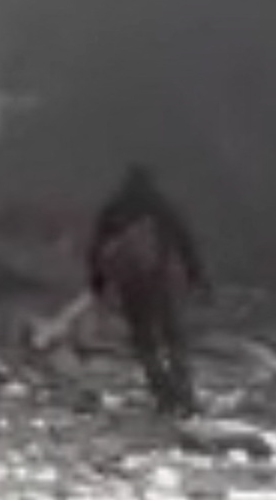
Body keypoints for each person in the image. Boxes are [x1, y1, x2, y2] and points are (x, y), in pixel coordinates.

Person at [90, 163, 212, 418]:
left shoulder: (115, 208)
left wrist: (99, 283)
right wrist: (197, 277)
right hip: (162, 280)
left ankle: (162, 394)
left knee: (145, 341)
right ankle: (185, 395)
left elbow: (97, 248)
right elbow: (184, 240)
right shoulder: (160, 205)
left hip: (132, 285)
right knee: (174, 338)